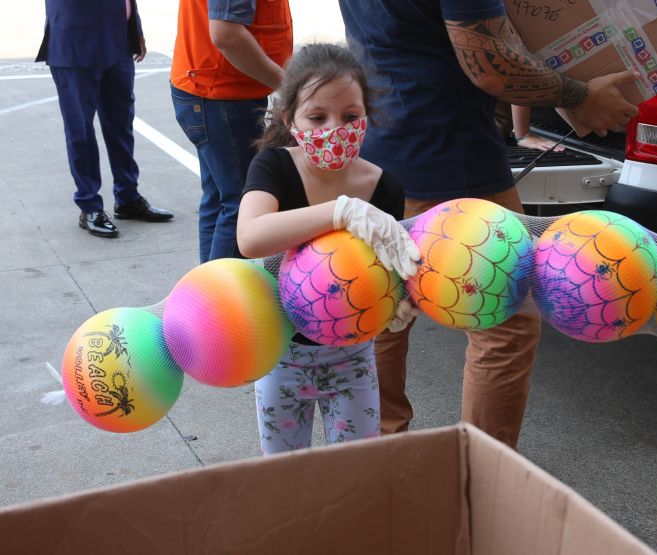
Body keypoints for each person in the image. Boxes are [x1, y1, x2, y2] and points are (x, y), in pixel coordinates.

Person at [339, 0, 640, 448]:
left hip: (377, 148)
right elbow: (490, 65)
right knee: (506, 323)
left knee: (380, 310)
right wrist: (578, 96)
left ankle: (379, 451)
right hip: (452, 157)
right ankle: (481, 473)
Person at [236, 43, 421, 453]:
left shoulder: (384, 186)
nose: (334, 129)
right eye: (317, 117)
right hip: (280, 358)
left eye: (350, 116)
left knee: (355, 475)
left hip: (353, 359)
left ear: (367, 118)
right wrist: (341, 212)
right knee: (285, 480)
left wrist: (398, 303)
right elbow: (250, 238)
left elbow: (386, 272)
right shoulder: (274, 166)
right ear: (290, 119)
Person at [36, 0, 173, 238]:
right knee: (81, 132)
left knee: (121, 127)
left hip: (117, 41)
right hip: (75, 44)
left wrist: (135, 30)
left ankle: (127, 199)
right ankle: (89, 206)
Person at [170, 0, 293, 263]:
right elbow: (226, 34)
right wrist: (290, 88)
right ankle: (221, 300)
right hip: (222, 92)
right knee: (243, 205)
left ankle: (207, 293)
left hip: (214, 87)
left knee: (221, 201)